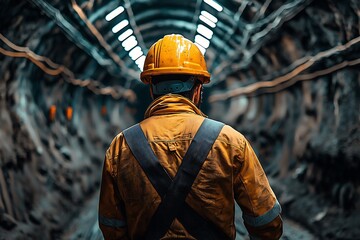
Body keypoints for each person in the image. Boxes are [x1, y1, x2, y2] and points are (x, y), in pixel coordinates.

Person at [98, 34, 283, 240]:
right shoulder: (230, 141)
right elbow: (266, 221)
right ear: (198, 89)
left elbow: (112, 227)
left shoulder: (121, 146)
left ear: (151, 89)